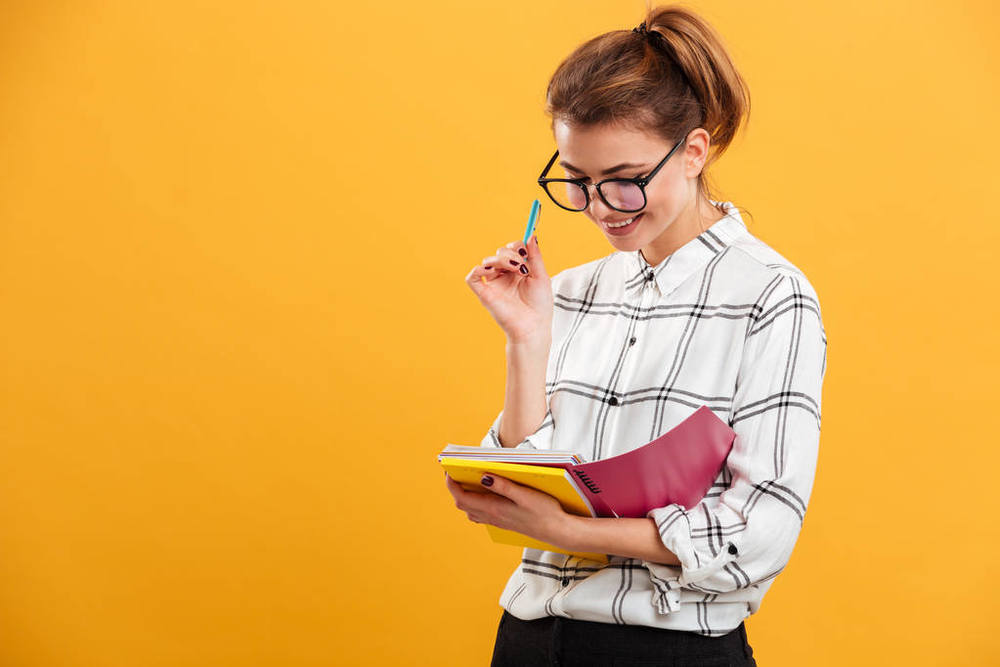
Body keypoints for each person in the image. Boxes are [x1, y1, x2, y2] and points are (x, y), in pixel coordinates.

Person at [445, 4, 827, 665]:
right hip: (528, 640)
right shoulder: (571, 290)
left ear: (694, 152)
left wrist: (566, 529)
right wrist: (526, 341)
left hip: (668, 649)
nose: (597, 209)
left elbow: (759, 530)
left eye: (623, 182)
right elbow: (523, 482)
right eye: (577, 181)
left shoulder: (771, 295)